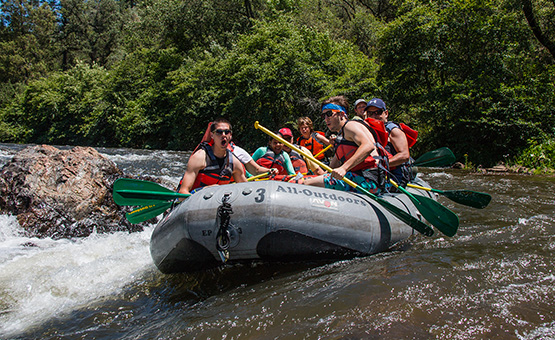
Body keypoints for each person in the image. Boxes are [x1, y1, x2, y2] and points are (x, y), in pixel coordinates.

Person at [304, 96, 386, 193]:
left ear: (342, 114)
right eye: (324, 116)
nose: (326, 119)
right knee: (303, 180)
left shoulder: (350, 126)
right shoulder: (341, 138)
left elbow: (368, 145)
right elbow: (331, 168)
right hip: (357, 177)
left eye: (329, 114)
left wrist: (344, 168)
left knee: (305, 184)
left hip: (368, 181)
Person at [178, 118, 247, 195]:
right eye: (219, 132)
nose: (223, 135)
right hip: (194, 197)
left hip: (217, 201)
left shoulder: (234, 163)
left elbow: (246, 190)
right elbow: (183, 192)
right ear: (212, 135)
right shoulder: (200, 157)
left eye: (227, 132)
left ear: (230, 136)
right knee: (215, 188)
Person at [365, 98, 416, 187]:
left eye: (378, 112)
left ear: (386, 113)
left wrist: (381, 165)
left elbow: (404, 156)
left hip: (395, 177)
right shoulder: (367, 130)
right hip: (377, 175)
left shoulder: (394, 131)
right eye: (370, 113)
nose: (374, 116)